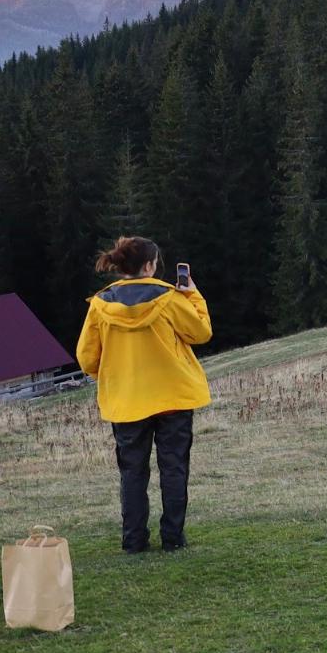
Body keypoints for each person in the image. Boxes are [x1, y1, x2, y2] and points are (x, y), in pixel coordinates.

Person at [74, 235, 211, 554]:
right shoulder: (169, 297)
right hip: (173, 396)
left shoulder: (100, 304)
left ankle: (134, 541)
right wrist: (192, 293)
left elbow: (86, 358)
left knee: (132, 473)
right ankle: (173, 538)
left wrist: (112, 374)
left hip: (126, 401)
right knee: (174, 467)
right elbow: (201, 332)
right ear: (149, 266)